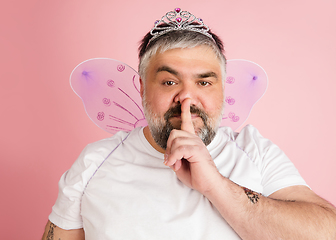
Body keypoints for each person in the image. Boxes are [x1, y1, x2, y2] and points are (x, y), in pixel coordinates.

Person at [42, 8, 336, 240]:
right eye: (169, 81)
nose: (186, 97)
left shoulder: (254, 151)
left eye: (204, 82)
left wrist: (216, 186)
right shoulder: (94, 163)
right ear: (143, 89)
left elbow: (326, 233)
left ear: (223, 91)